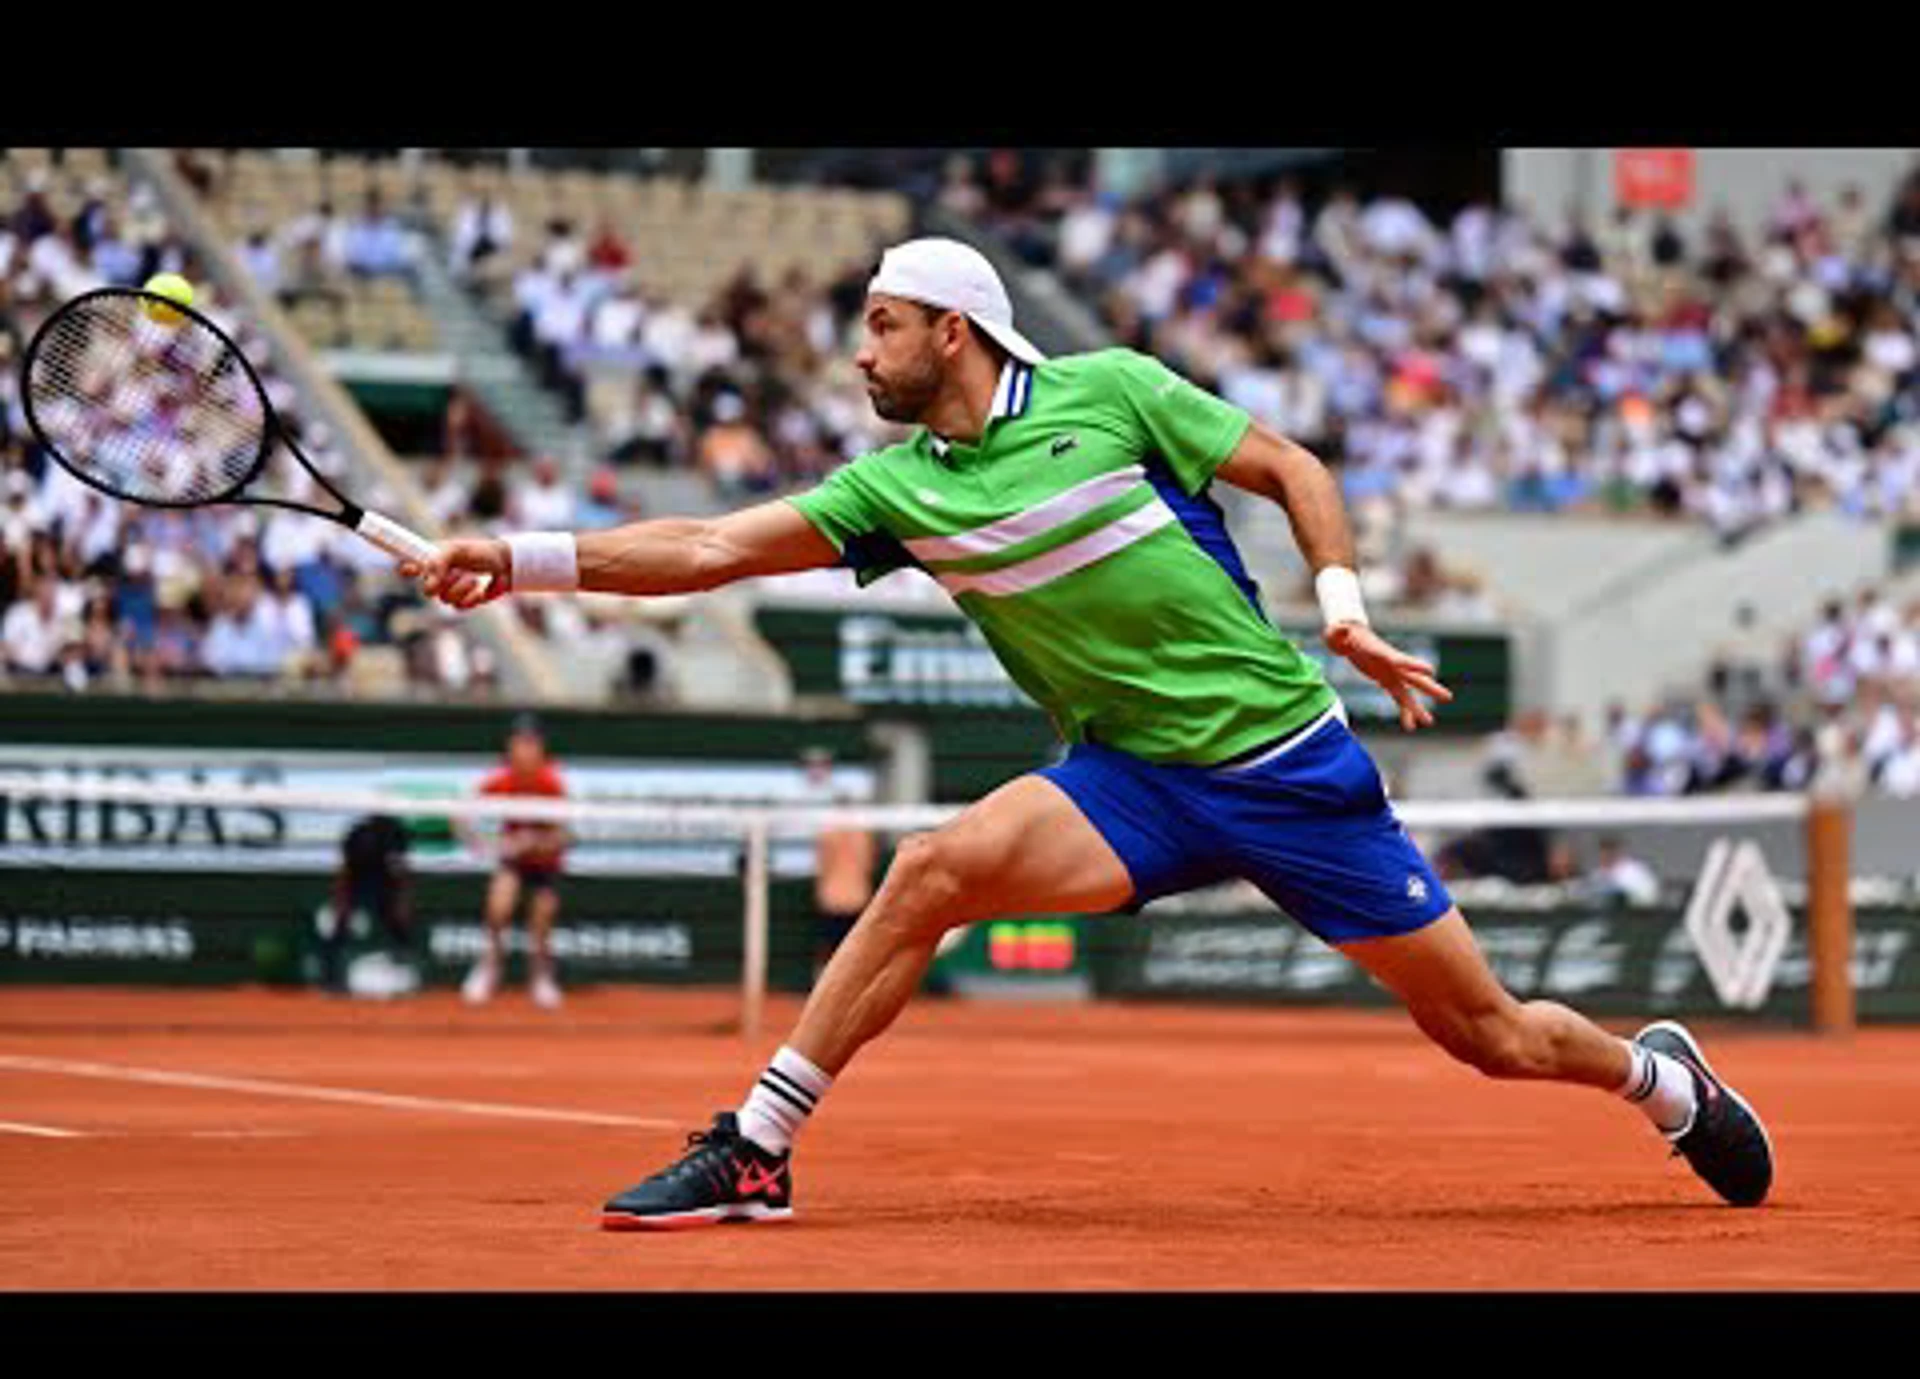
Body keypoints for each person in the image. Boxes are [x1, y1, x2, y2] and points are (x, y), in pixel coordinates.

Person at [408, 236, 1774, 1228]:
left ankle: (1658, 1082)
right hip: (1131, 783)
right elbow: (707, 544)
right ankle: (757, 1147)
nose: (859, 351)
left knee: (1491, 1037)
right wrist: (518, 561)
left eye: (881, 324)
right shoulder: (897, 487)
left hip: (1292, 769)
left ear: (955, 328)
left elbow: (1291, 467)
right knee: (929, 871)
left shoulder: (1111, 392)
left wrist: (1344, 608)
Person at [460, 714, 570, 1010]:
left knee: (542, 918)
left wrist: (535, 843)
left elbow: (564, 835)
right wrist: (484, 845)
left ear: (541, 748)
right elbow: (459, 815)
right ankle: (489, 968)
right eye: (518, 742)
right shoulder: (501, 780)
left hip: (545, 864)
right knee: (498, 908)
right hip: (513, 863)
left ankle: (541, 977)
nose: (524, 749)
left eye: (530, 743)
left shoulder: (551, 782)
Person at [801, 748, 877, 982]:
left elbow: (823, 865)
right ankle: (845, 986)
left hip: (834, 898)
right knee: (849, 950)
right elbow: (868, 864)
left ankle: (826, 986)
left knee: (831, 948)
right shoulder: (862, 834)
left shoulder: (829, 833)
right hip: (852, 898)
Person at [319, 812, 414, 993]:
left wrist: (402, 902)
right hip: (358, 882)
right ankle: (330, 980)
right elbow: (345, 873)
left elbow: (402, 871)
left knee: (399, 931)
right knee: (340, 930)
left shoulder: (396, 833)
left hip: (386, 885)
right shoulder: (356, 835)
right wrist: (341, 902)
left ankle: (409, 976)